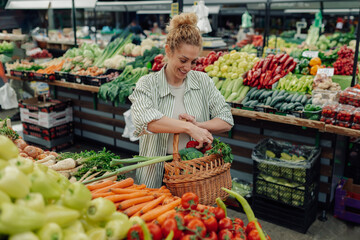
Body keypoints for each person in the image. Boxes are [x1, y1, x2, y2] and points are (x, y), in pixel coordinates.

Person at [129, 12, 234, 188]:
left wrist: (198, 126)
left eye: (193, 62)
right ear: (168, 50)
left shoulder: (203, 81)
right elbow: (147, 121)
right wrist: (188, 127)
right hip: (155, 171)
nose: (188, 68)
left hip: (193, 172)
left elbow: (226, 120)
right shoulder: (147, 84)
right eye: (183, 60)